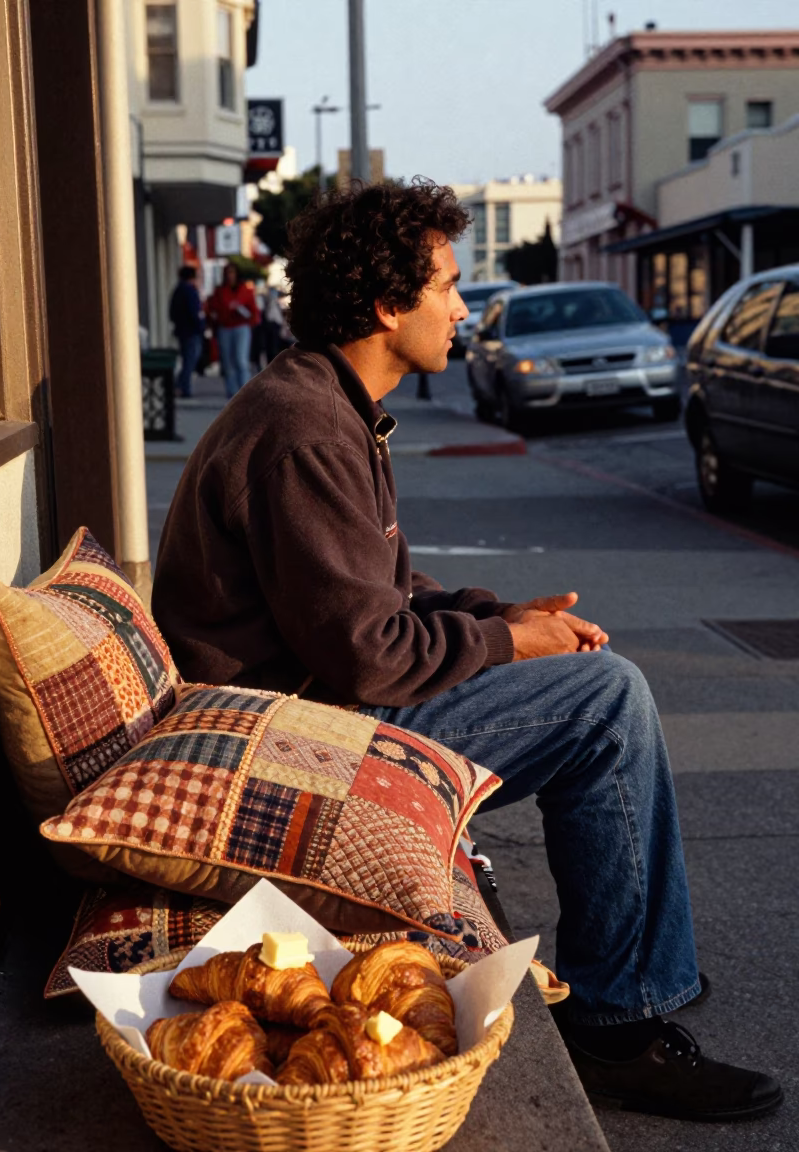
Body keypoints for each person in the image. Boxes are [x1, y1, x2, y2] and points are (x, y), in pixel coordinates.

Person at [152, 180, 782, 1123]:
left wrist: (501, 617)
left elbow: (381, 594)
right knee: (607, 704)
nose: (463, 307)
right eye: (447, 285)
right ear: (385, 304)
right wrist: (500, 642)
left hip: (312, 698)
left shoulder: (328, 403)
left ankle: (626, 994)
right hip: (300, 730)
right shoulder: (306, 431)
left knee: (587, 681)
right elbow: (369, 653)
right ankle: (621, 1025)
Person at [207, 262, 258, 398]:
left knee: (241, 359)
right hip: (225, 328)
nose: (230, 276)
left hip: (241, 327)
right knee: (228, 361)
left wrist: (245, 314)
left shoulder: (245, 290)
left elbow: (253, 310)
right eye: (228, 273)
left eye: (233, 272)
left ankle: (245, 391)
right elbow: (213, 308)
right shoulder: (220, 291)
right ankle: (232, 392)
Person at [168, 265, 205, 398]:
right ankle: (183, 387)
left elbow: (172, 313)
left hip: (183, 330)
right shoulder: (190, 291)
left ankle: (180, 386)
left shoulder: (178, 290)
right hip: (191, 331)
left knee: (187, 360)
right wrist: (201, 326)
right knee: (190, 360)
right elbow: (195, 312)